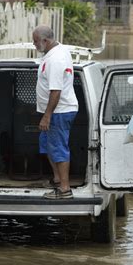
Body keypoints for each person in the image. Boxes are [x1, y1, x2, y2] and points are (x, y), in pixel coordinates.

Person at [32, 25, 78, 199]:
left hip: (59, 111)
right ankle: (57, 180)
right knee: (47, 145)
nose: (34, 44)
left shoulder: (55, 59)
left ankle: (65, 190)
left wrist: (47, 116)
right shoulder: (55, 52)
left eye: (36, 41)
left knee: (58, 148)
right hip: (55, 111)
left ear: (46, 40)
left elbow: (56, 91)